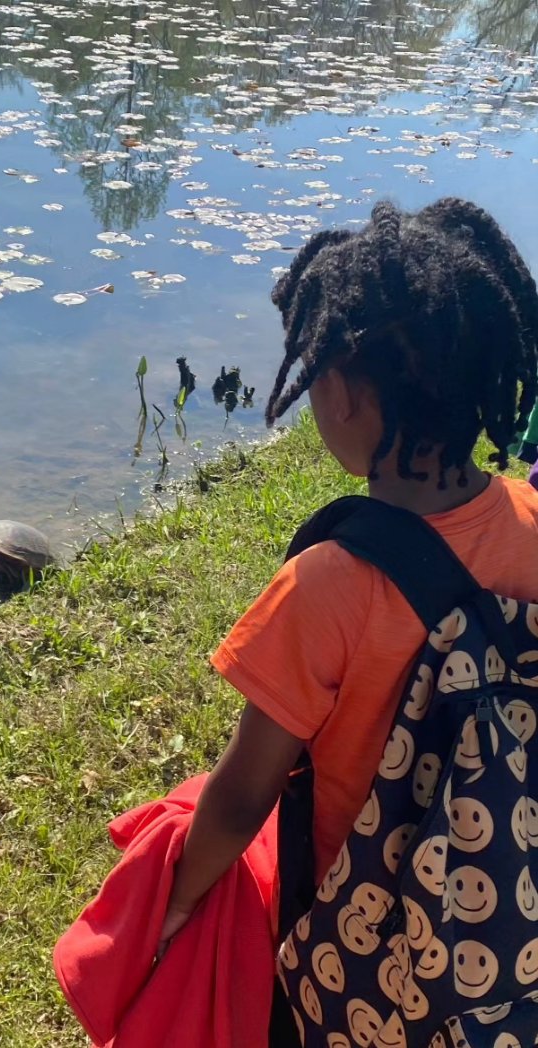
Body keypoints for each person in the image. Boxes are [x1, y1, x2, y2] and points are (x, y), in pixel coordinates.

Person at [156, 199, 538, 988]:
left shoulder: (326, 585)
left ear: (341, 395)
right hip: (510, 903)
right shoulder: (531, 520)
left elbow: (239, 800)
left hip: (364, 936)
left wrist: (177, 900)